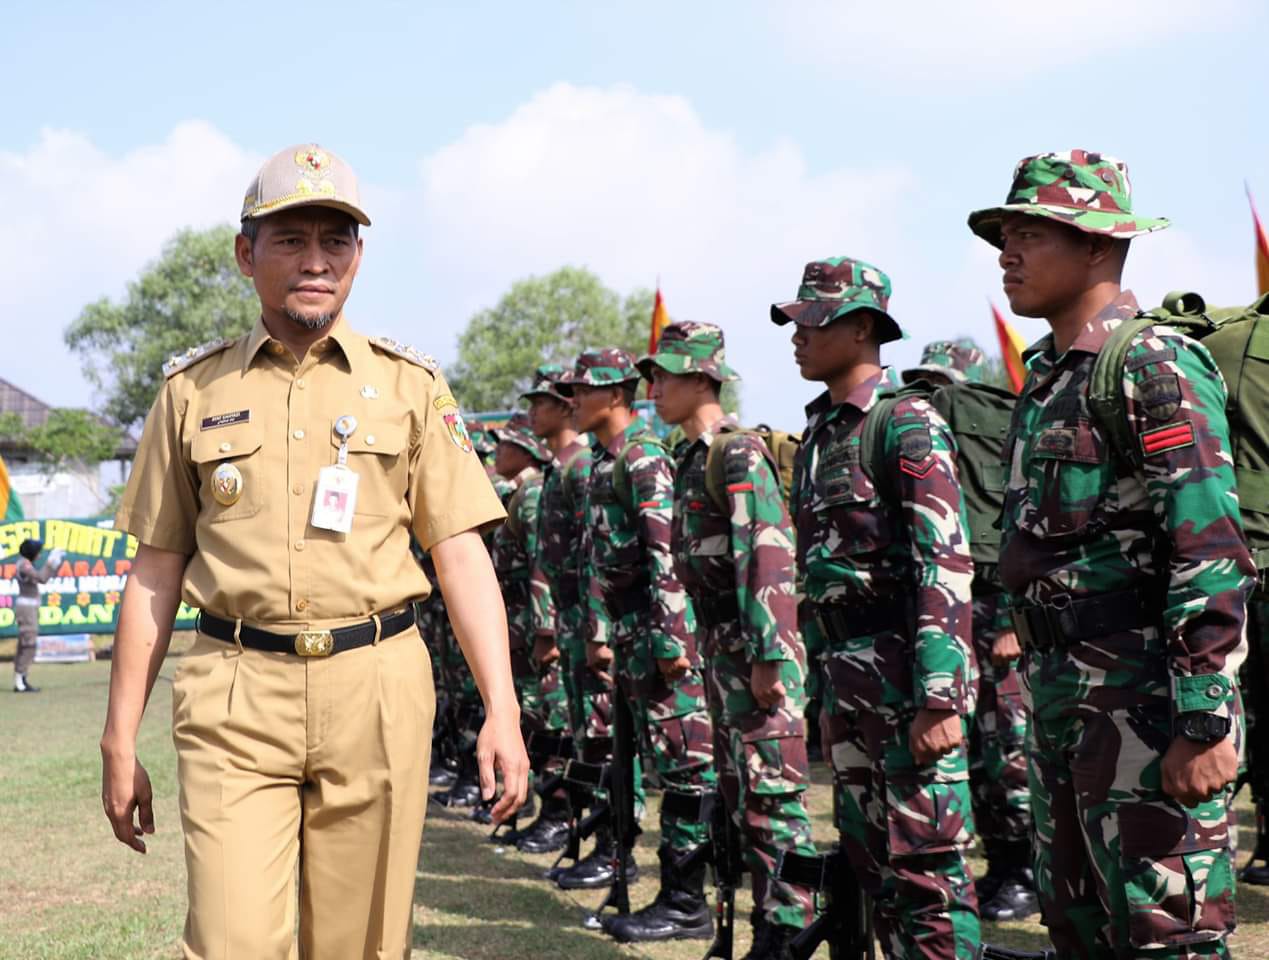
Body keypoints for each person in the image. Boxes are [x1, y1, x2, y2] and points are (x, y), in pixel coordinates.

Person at [99, 143, 528, 960]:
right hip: (235, 694)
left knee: (363, 945)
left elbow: (461, 555)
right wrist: (119, 738)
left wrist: (501, 712)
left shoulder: (410, 387)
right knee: (230, 941)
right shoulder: (192, 393)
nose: (316, 261)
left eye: (336, 241)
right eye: (291, 239)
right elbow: (155, 570)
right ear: (245, 253)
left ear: (358, 256)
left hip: (377, 686)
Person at [969, 149, 1254, 959]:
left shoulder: (1148, 361)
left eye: (1029, 235)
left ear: (1096, 243)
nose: (1006, 254)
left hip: (1143, 701)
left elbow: (1207, 545)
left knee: (1165, 935)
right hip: (1063, 694)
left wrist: (1201, 719)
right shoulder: (1048, 377)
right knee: (1078, 928)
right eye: (1002, 237)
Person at [773, 257, 980, 960]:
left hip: (905, 685)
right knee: (871, 871)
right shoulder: (820, 434)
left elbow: (943, 561)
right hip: (847, 685)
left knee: (928, 875)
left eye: (812, 321)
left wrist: (940, 697)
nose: (796, 337)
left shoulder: (905, 423)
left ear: (862, 328)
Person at [641, 321, 817, 958]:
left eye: (665, 377)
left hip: (755, 654)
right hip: (723, 650)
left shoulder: (736, 452)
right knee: (740, 801)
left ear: (701, 379)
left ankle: (790, 932)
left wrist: (770, 657)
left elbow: (766, 556)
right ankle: (759, 930)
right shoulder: (691, 458)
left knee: (774, 800)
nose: (654, 389)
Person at [563, 347, 719, 943]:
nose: (574, 400)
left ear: (615, 396)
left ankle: (687, 902)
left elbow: (664, 553)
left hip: (659, 638)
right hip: (632, 637)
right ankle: (663, 889)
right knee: (656, 763)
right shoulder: (608, 461)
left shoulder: (643, 456)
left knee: (686, 766)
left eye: (583, 390)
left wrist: (672, 640)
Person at [901, 340, 1038, 921]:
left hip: (996, 606)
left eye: (943, 382)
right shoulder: (932, 436)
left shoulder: (995, 431)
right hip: (955, 607)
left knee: (1008, 746)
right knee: (976, 752)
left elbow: (1018, 520)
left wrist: (1012, 618)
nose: (933, 394)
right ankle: (1001, 864)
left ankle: (1025, 871)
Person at [490, 410, 571, 851]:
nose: (497, 451)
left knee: (548, 717)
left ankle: (557, 814)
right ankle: (537, 807)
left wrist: (545, 630)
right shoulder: (522, 492)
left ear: (525, 451)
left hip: (534, 627)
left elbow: (543, 564)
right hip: (519, 625)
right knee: (532, 717)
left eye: (506, 444)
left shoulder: (534, 493)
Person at [13, 538, 64, 693]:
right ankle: (20, 680)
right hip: (26, 610)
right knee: (29, 644)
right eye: (37, 552)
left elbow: (43, 578)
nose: (39, 555)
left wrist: (53, 565)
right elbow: (42, 578)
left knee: (26, 643)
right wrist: (50, 563)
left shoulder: (24, 563)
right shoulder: (24, 565)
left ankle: (21, 678)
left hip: (29, 608)